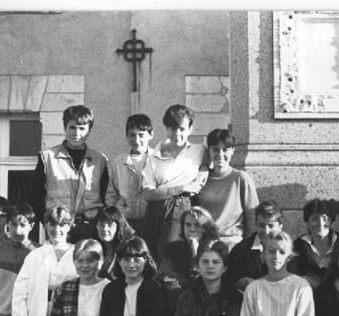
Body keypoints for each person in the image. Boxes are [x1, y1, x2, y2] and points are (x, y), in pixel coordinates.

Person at [141, 104, 209, 260]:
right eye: (172, 128)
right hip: (156, 210)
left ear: (190, 129)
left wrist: (204, 168)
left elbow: (209, 162)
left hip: (183, 208)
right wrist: (181, 188)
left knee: (174, 257)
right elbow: (148, 194)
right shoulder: (154, 156)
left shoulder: (199, 150)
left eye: (182, 129)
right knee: (152, 256)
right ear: (166, 129)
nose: (177, 134)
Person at [31, 105, 107, 242]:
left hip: (90, 228)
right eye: (72, 127)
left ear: (89, 130)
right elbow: (36, 196)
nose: (76, 133)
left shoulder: (99, 160)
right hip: (59, 228)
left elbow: (106, 196)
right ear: (64, 128)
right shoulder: (48, 158)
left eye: (82, 128)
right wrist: (49, 223)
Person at [12, 205, 78, 316]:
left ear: (69, 227)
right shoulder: (35, 255)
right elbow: (20, 294)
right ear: (46, 226)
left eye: (62, 225)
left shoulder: (77, 254)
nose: (56, 229)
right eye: (52, 224)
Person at [198, 128, 260, 250]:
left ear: (232, 151)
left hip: (233, 244)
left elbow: (252, 217)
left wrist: (248, 248)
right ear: (209, 151)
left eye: (225, 149)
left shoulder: (241, 178)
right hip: (206, 245)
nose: (220, 154)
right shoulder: (201, 179)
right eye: (216, 149)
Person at [106, 113, 154, 236]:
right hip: (125, 222)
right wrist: (115, 216)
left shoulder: (157, 160)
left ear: (151, 135)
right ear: (127, 136)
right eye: (132, 135)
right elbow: (111, 194)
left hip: (151, 221)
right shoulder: (119, 162)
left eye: (141, 135)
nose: (137, 140)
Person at [225, 200, 284, 291]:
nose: (266, 231)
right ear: (256, 225)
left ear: (280, 226)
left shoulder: (290, 252)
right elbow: (229, 284)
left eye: (271, 226)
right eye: (261, 225)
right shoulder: (240, 251)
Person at [159, 205, 219, 289]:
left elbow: (204, 278)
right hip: (178, 290)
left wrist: (194, 252)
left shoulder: (214, 249)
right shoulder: (172, 247)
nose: (192, 229)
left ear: (205, 228)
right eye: (188, 225)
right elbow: (166, 272)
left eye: (197, 225)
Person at [292, 199, 339, 289]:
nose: (320, 223)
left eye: (325, 219)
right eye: (314, 219)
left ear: (331, 221)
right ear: (307, 223)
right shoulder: (298, 246)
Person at [92, 205, 136, 280]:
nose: (105, 229)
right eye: (101, 224)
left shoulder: (127, 248)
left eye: (110, 224)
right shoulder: (95, 247)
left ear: (119, 226)